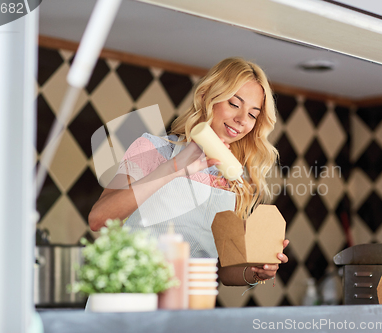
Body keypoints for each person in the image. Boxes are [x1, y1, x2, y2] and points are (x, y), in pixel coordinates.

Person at [89, 57, 289, 287]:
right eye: (234, 104)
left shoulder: (235, 179)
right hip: (130, 300)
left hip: (187, 308)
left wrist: (255, 271)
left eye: (253, 114)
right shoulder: (154, 149)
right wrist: (174, 168)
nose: (242, 120)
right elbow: (99, 219)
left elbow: (224, 270)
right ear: (206, 97)